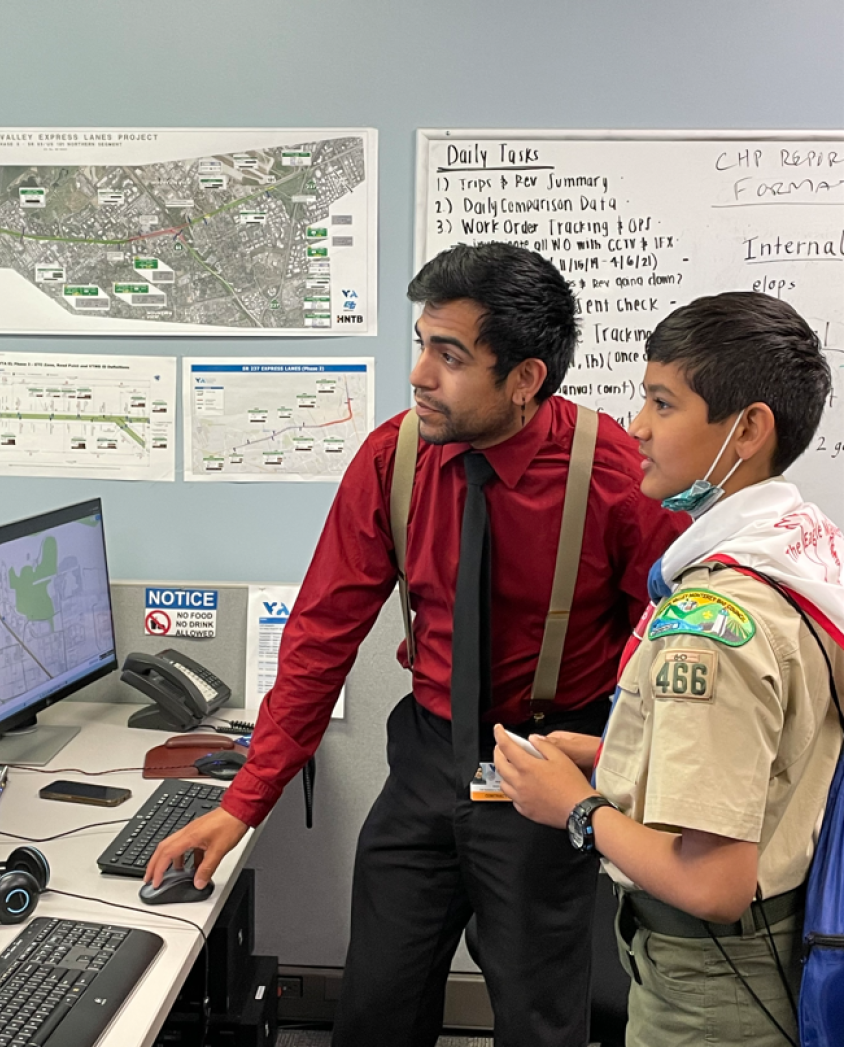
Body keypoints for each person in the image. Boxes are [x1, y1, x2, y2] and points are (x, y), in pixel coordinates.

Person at [146, 243, 686, 1047]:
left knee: (542, 1025)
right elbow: (319, 640)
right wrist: (241, 802)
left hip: (546, 766)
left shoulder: (611, 472)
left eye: (450, 354)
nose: (419, 374)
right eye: (421, 344)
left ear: (525, 378)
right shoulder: (391, 459)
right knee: (374, 1011)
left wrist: (620, 767)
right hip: (428, 761)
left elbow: (672, 643)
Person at [493, 291, 844, 1047]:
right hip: (776, 949)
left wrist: (578, 807)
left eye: (662, 402)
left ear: (748, 428)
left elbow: (712, 883)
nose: (637, 426)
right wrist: (611, 751)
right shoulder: (801, 554)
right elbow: (767, 754)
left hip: (714, 982)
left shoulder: (710, 627)